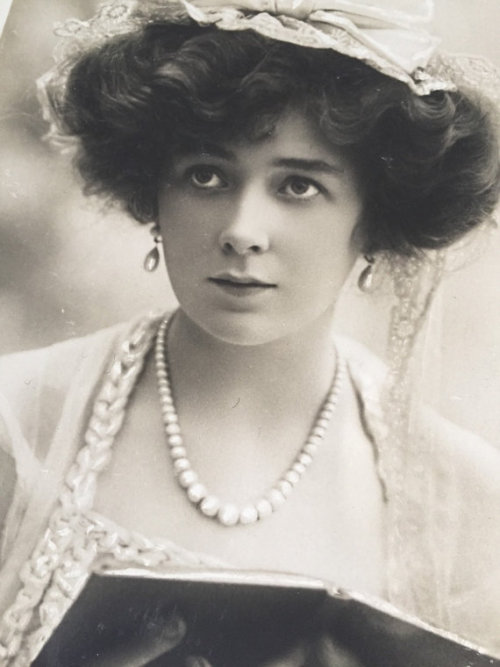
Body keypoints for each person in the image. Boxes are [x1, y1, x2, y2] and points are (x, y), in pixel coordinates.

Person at [0, 0, 499, 664]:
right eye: (206, 176)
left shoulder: (463, 499)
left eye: (298, 186)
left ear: (373, 216)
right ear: (155, 196)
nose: (241, 229)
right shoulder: (17, 422)